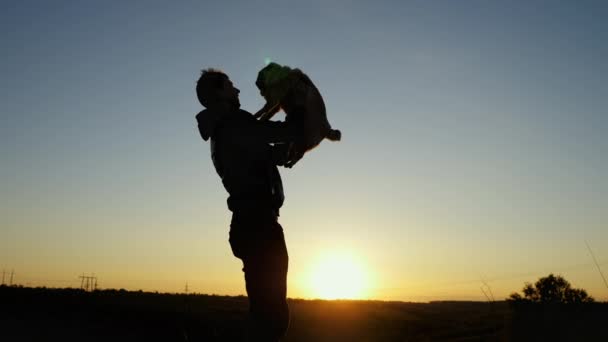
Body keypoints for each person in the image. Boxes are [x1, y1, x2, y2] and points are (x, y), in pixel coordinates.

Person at [195, 69, 295, 341]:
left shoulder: (226, 130)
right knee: (271, 319)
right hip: (258, 225)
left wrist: (286, 151)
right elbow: (278, 132)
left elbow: (264, 151)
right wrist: (302, 117)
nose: (238, 91)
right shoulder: (234, 123)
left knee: (265, 313)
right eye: (230, 86)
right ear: (218, 93)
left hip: (249, 225)